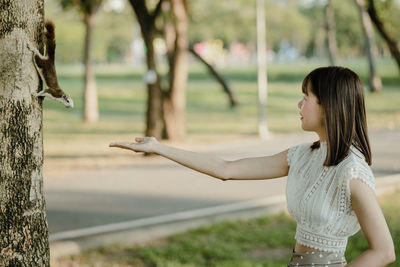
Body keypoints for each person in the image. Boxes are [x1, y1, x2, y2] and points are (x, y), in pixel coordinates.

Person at [110, 66, 395, 266]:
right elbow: (226, 169)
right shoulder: (303, 155)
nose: (299, 104)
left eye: (306, 98)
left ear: (329, 106)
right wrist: (159, 148)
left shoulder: (352, 173)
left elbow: (384, 252)